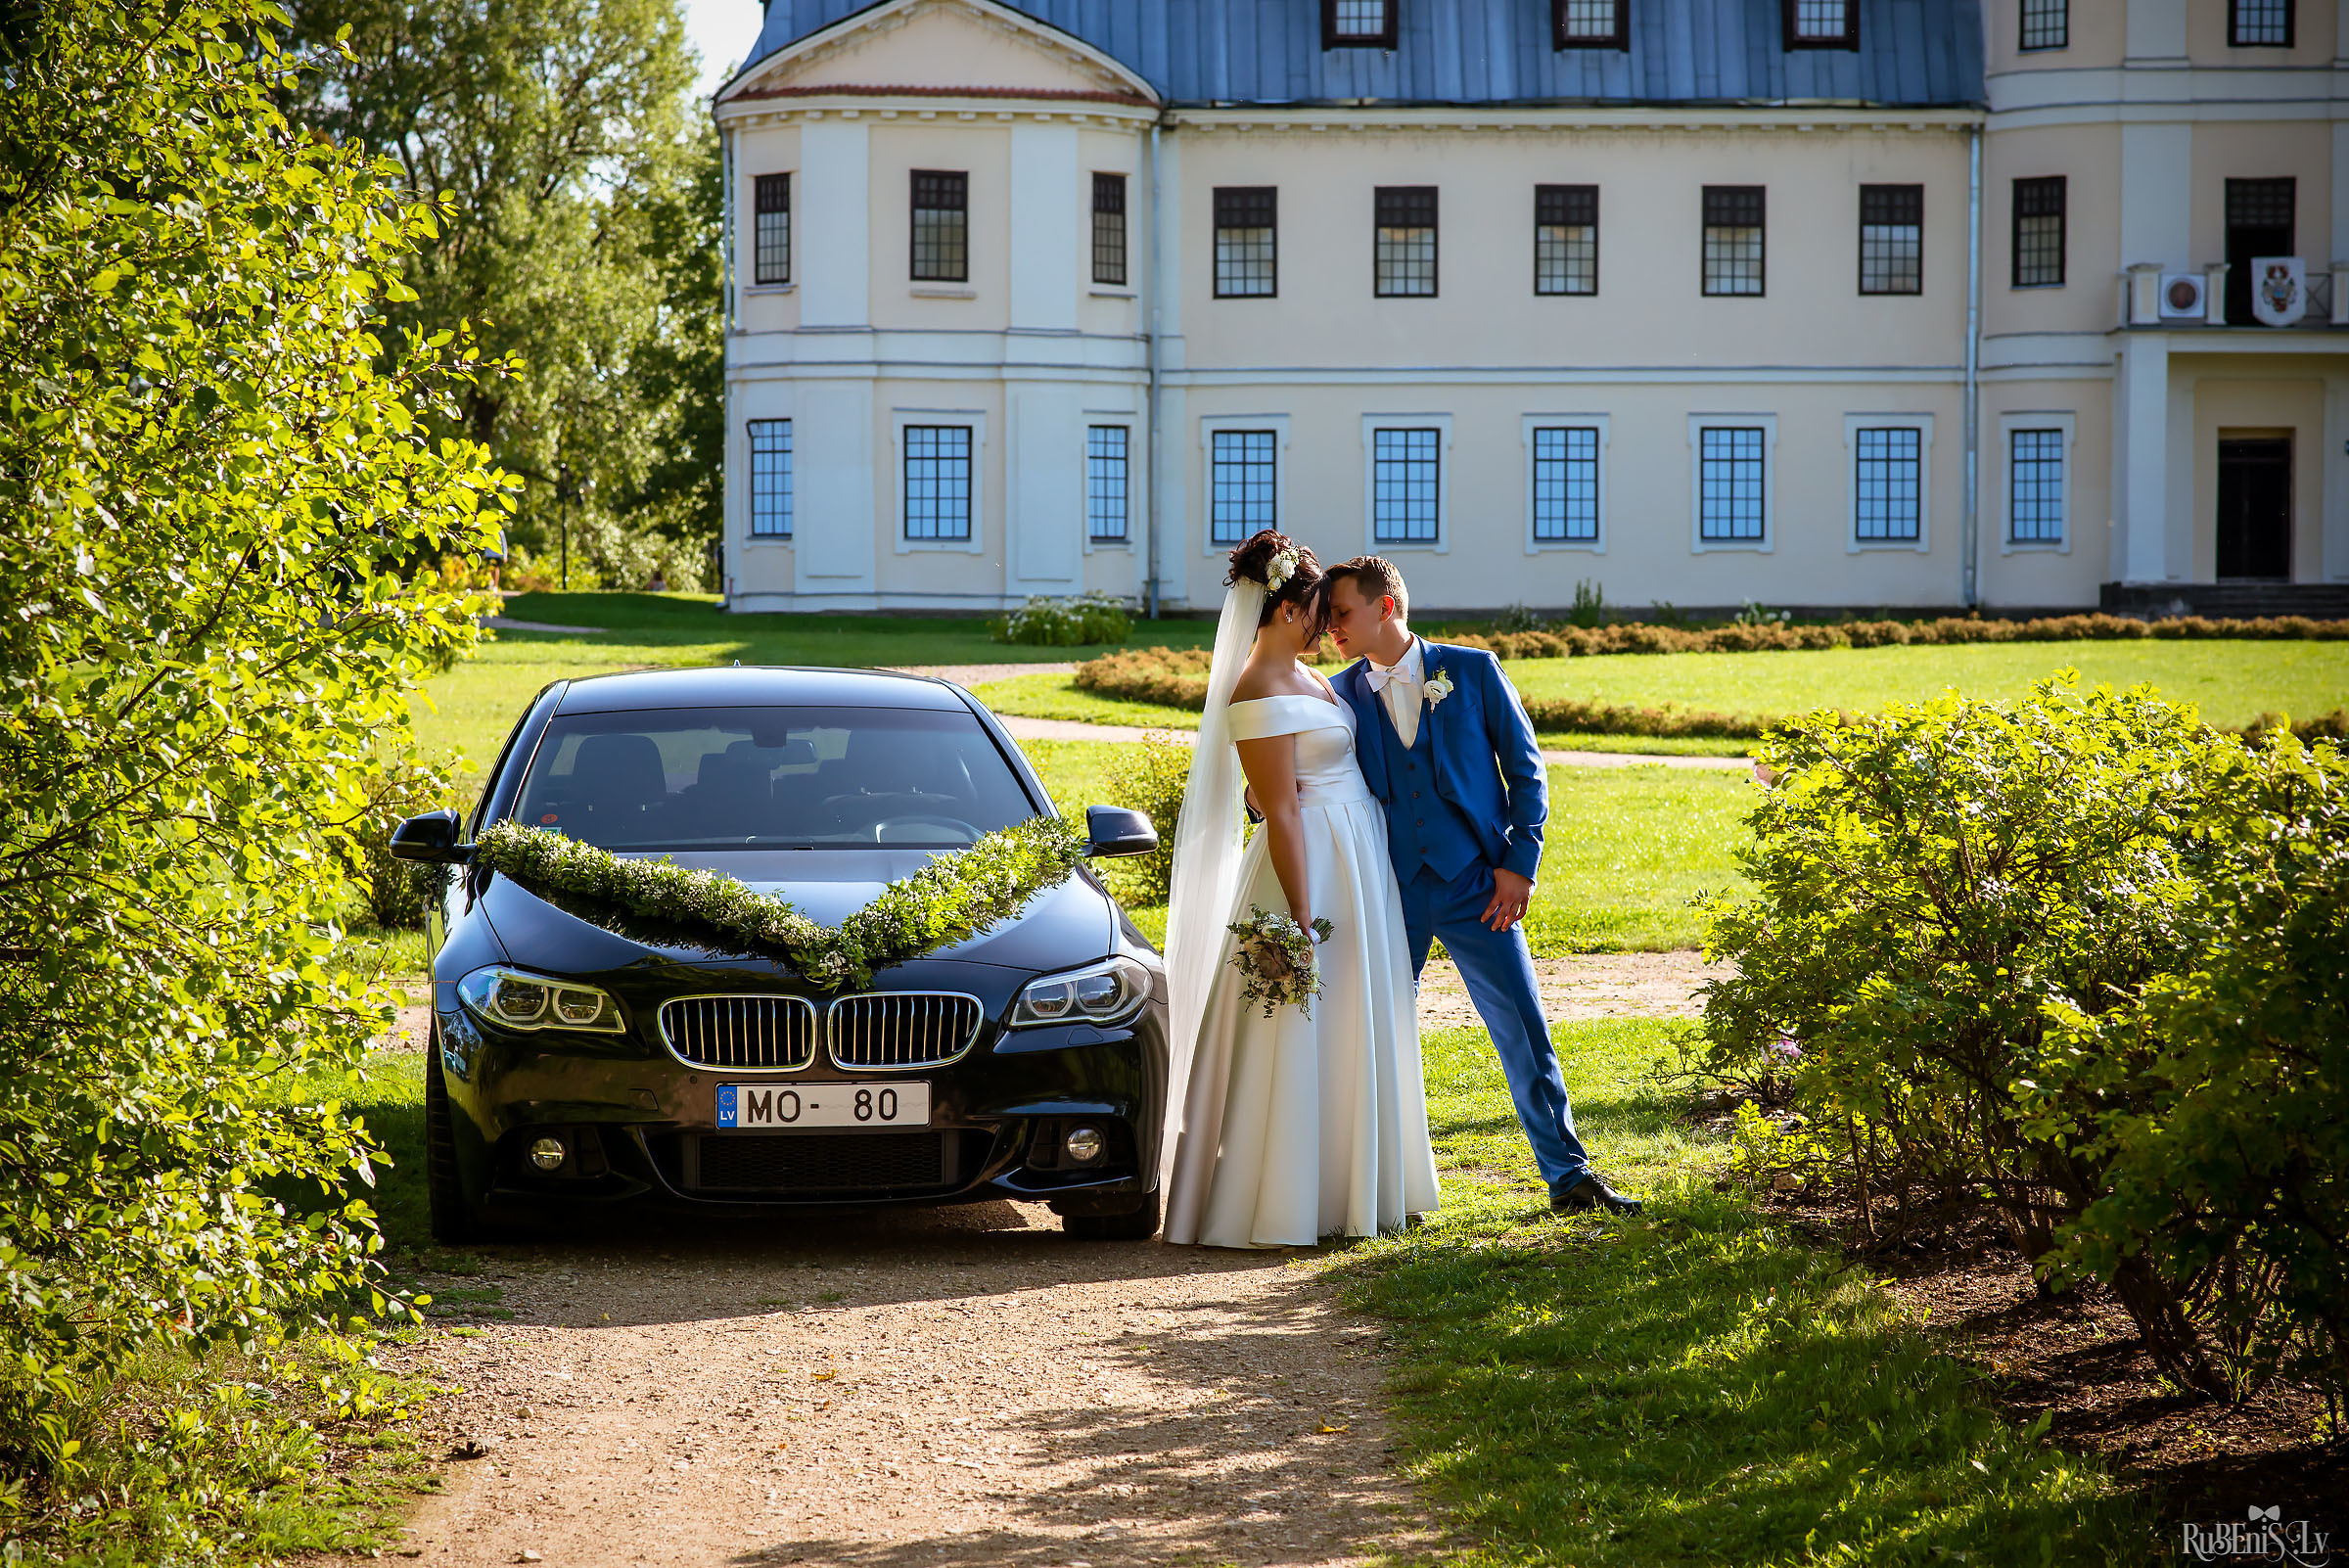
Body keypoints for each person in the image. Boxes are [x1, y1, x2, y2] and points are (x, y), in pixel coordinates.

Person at [1320, 556, 1643, 1217]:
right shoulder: (1338, 694)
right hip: (1390, 890)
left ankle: (1569, 1176)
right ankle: (1377, 1188)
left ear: (1386, 607)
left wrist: (1519, 864)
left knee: (1522, 1029)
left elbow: (1527, 771)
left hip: (1479, 885)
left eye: (1342, 613)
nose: (1331, 628)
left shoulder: (1471, 670)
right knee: (1374, 1034)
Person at [1161, 531, 1442, 1248]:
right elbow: (1278, 806)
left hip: (1356, 858)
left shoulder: (1316, 680)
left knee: (1355, 1016)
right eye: (1320, 608)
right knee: (1301, 1028)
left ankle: (1358, 1184)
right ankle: (1289, 1197)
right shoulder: (1255, 687)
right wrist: (1300, 913)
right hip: (1309, 867)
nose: (1329, 623)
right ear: (1287, 608)